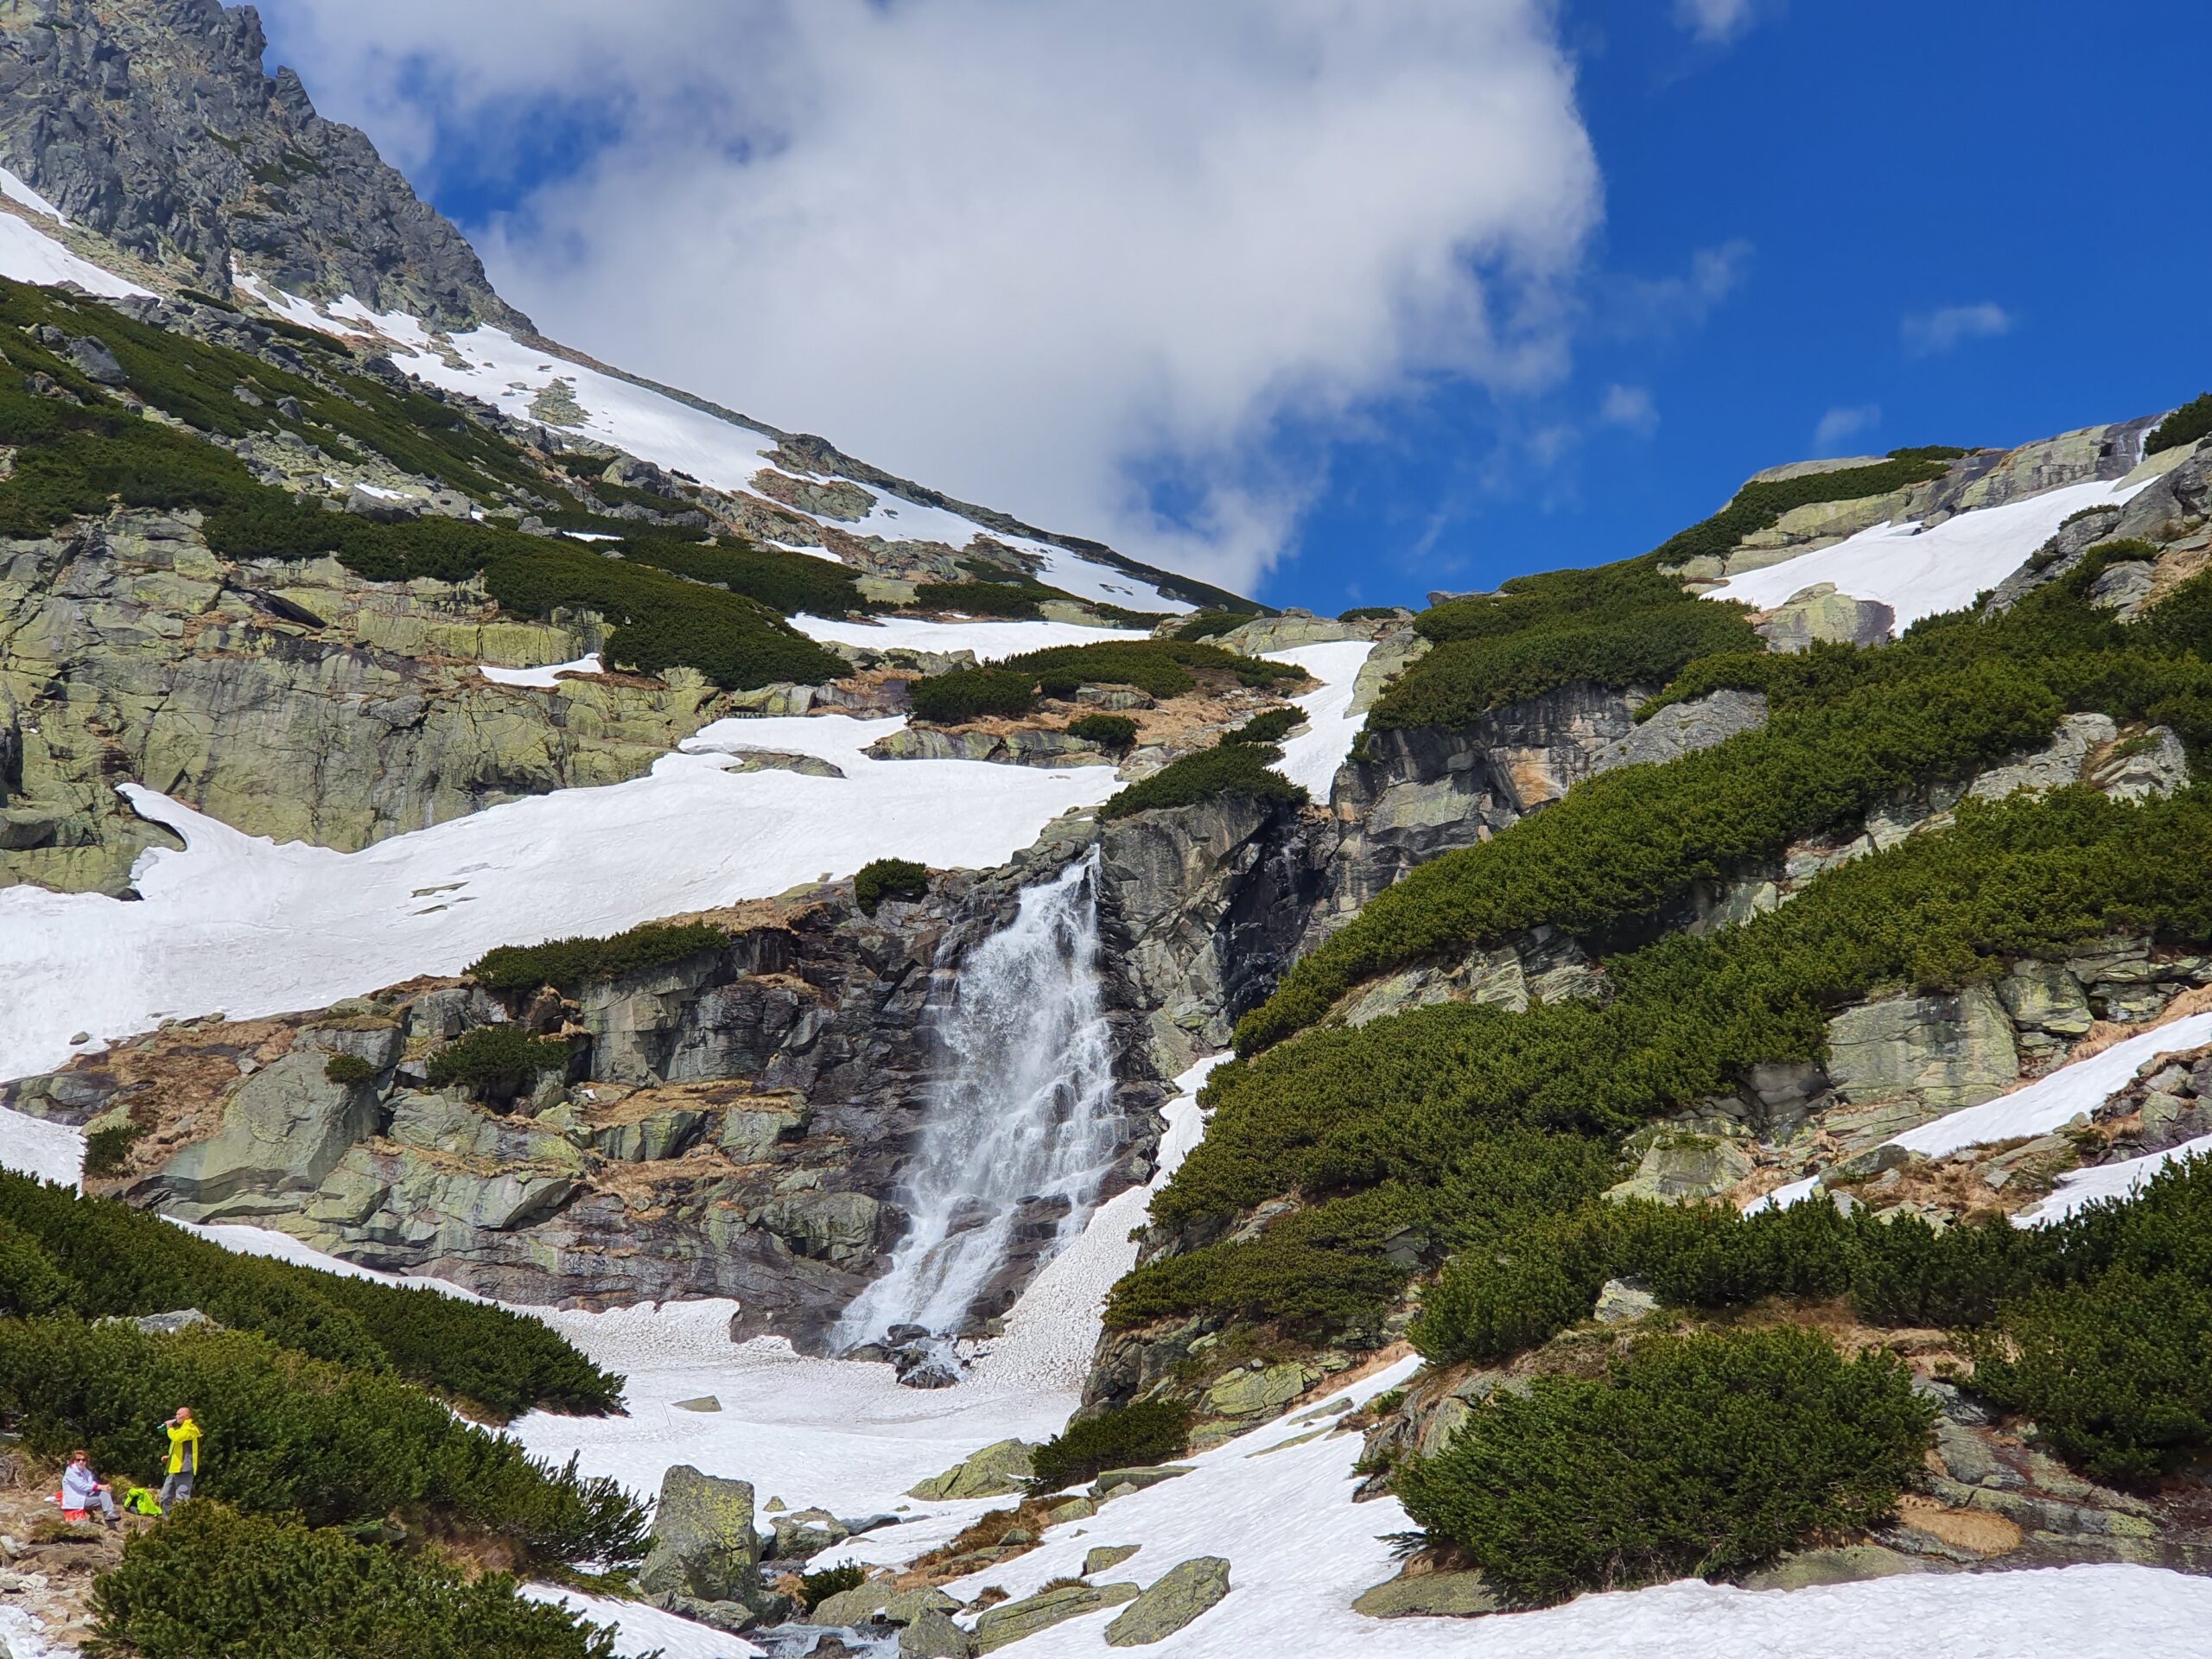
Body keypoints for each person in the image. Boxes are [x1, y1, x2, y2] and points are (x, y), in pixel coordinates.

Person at [156, 1407, 201, 1514]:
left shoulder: (191, 1428)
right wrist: (169, 1456)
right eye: (176, 1414)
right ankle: (166, 1521)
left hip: (185, 1468)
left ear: (187, 1416)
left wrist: (169, 1428)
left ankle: (182, 1521)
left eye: (179, 1414)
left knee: (182, 1498)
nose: (176, 1417)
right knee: (164, 1496)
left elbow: (178, 1438)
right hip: (174, 1467)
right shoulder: (181, 1429)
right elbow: (180, 1448)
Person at [59, 1450, 118, 1529]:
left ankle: (110, 1516)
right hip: (76, 1500)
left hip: (85, 1497)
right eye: (78, 1460)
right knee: (104, 1499)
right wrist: (100, 1487)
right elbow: (82, 1486)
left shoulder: (86, 1472)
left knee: (105, 1493)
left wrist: (104, 1487)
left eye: (83, 1460)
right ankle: (111, 1523)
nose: (81, 1462)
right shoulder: (71, 1472)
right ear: (73, 1461)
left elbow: (91, 1484)